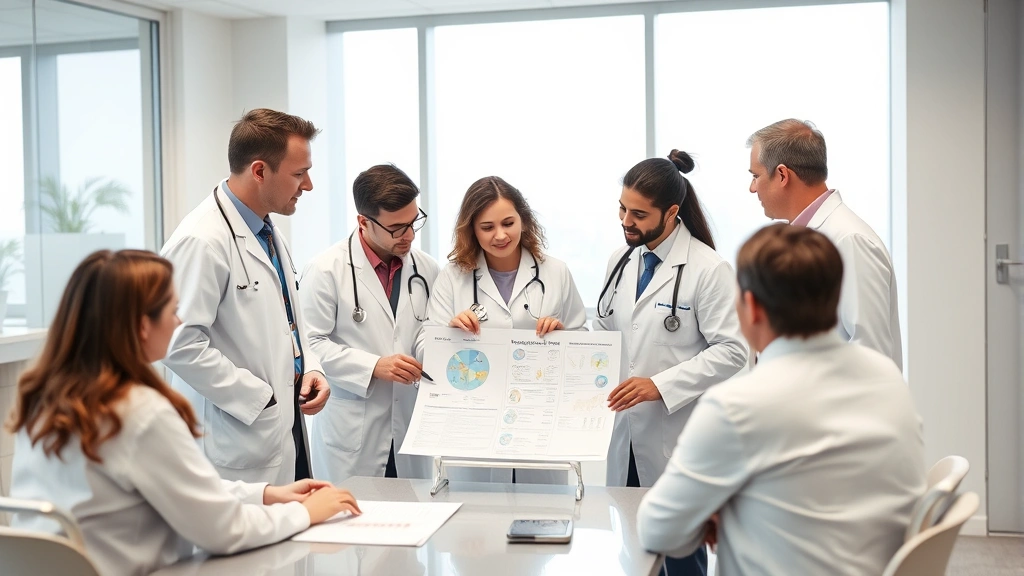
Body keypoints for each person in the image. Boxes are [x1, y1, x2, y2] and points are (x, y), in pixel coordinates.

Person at [7, 250, 360, 576]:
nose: (179, 323)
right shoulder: (139, 413)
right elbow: (223, 531)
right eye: (173, 311)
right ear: (143, 326)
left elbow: (174, 486)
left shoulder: (43, 400)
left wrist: (265, 494)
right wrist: (305, 513)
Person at [636, 224, 925, 575]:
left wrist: (715, 514)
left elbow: (657, 531)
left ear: (752, 307)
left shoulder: (738, 405)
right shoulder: (887, 377)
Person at [593, 150, 748, 576]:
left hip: (675, 438)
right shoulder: (620, 261)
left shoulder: (707, 269)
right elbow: (606, 332)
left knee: (682, 561)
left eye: (638, 214)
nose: (626, 221)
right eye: (622, 208)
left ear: (672, 212)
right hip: (623, 436)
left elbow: (734, 350)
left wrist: (659, 384)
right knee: (631, 552)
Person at [161, 108, 330, 485]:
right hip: (238, 437)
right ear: (259, 171)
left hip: (283, 429)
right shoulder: (201, 241)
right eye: (299, 174)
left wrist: (311, 366)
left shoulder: (267, 231)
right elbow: (177, 343)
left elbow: (286, 319)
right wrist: (259, 398)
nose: (309, 186)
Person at [422, 176, 588, 484]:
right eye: (487, 227)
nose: (500, 235)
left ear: (523, 221)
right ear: (471, 229)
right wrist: (449, 332)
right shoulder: (453, 277)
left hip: (538, 418)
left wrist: (564, 337)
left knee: (541, 517)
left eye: (508, 223)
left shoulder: (555, 272)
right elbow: (424, 348)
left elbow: (583, 346)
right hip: (474, 419)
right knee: (477, 521)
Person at [300, 164, 440, 483]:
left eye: (414, 222)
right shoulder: (326, 270)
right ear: (364, 222)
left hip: (409, 423)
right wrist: (374, 366)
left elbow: (430, 332)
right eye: (397, 228)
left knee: (412, 524)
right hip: (352, 433)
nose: (410, 235)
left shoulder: (428, 269)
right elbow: (310, 347)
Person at [747, 118, 903, 369]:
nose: (752, 188)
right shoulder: (801, 238)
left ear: (782, 175)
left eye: (755, 176)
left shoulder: (849, 241)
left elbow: (871, 353)